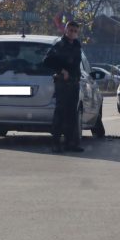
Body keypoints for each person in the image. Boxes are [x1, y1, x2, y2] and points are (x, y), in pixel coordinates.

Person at [43, 20, 84, 153]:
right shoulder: (60, 45)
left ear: (77, 33)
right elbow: (47, 61)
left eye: (75, 31)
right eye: (70, 30)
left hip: (74, 83)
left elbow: (76, 65)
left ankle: (70, 143)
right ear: (65, 30)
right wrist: (61, 70)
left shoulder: (77, 45)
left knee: (72, 114)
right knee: (60, 113)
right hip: (63, 84)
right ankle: (56, 143)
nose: (72, 33)